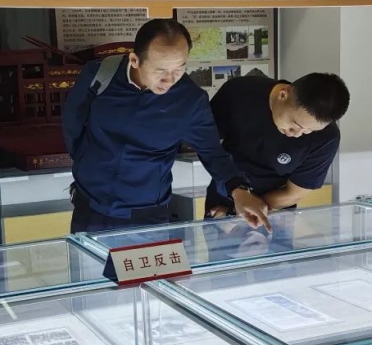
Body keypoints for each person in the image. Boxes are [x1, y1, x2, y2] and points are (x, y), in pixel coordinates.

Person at [62, 18, 270, 234]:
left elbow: (212, 152)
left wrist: (238, 190)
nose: (169, 80)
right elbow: (73, 125)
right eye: (160, 70)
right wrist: (89, 165)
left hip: (148, 213)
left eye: (179, 68)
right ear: (135, 60)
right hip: (90, 206)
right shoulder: (99, 76)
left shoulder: (189, 100)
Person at [205, 72, 350, 218]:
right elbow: (206, 142)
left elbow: (294, 194)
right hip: (224, 194)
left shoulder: (326, 137)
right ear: (283, 95)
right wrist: (231, 208)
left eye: (309, 130)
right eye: (295, 124)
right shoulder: (240, 92)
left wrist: (237, 212)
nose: (297, 134)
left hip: (274, 208)